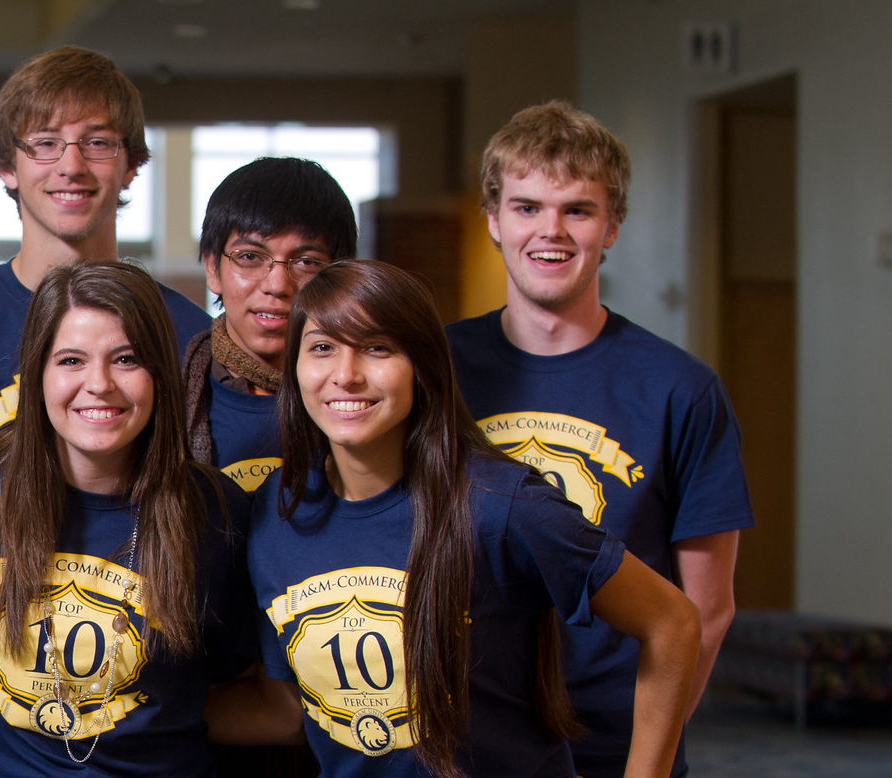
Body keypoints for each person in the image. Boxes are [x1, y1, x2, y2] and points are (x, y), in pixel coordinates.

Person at [250, 259, 700, 776]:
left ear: (422, 366)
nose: (346, 375)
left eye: (377, 348)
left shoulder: (500, 502)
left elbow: (674, 623)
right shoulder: (279, 513)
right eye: (323, 348)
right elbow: (286, 708)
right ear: (296, 369)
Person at [448, 100, 752, 776]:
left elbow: (707, 609)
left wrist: (650, 757)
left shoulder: (681, 389)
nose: (550, 230)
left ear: (611, 225)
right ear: (493, 219)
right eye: (527, 207)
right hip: (464, 736)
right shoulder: (433, 371)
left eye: (577, 210)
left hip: (618, 741)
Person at [0, 261, 255, 775]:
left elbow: (245, 682)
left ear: (159, 375)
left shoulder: (215, 511)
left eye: (126, 359)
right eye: (72, 360)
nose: (98, 384)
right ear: (37, 373)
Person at [0, 45, 210, 454]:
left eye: (97, 142)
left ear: (131, 164)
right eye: (45, 143)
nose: (71, 166)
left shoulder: (190, 336)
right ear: (7, 167)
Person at [184, 157, 357, 493]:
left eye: (306, 262)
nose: (277, 284)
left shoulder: (364, 398)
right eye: (250, 257)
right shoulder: (165, 397)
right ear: (212, 268)